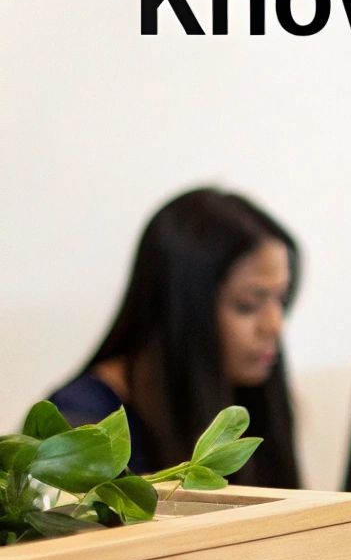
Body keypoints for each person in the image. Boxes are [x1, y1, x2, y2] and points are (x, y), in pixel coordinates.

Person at [48, 187, 303, 487]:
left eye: (281, 300)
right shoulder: (81, 422)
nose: (274, 326)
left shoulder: (248, 394)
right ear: (181, 308)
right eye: (248, 304)